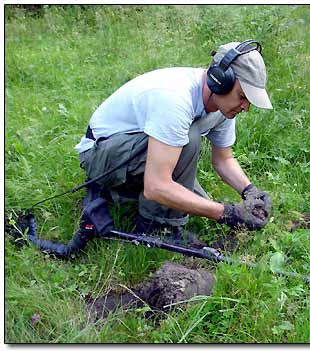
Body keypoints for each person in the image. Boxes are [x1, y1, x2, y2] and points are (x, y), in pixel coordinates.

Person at [75, 40, 273, 246]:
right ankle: (155, 228)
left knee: (198, 200)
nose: (246, 107)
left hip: (138, 149)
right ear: (220, 80)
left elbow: (223, 160)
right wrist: (225, 213)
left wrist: (250, 191)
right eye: (242, 96)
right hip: (100, 155)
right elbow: (156, 186)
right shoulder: (175, 99)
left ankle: (126, 194)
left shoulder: (223, 105)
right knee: (189, 139)